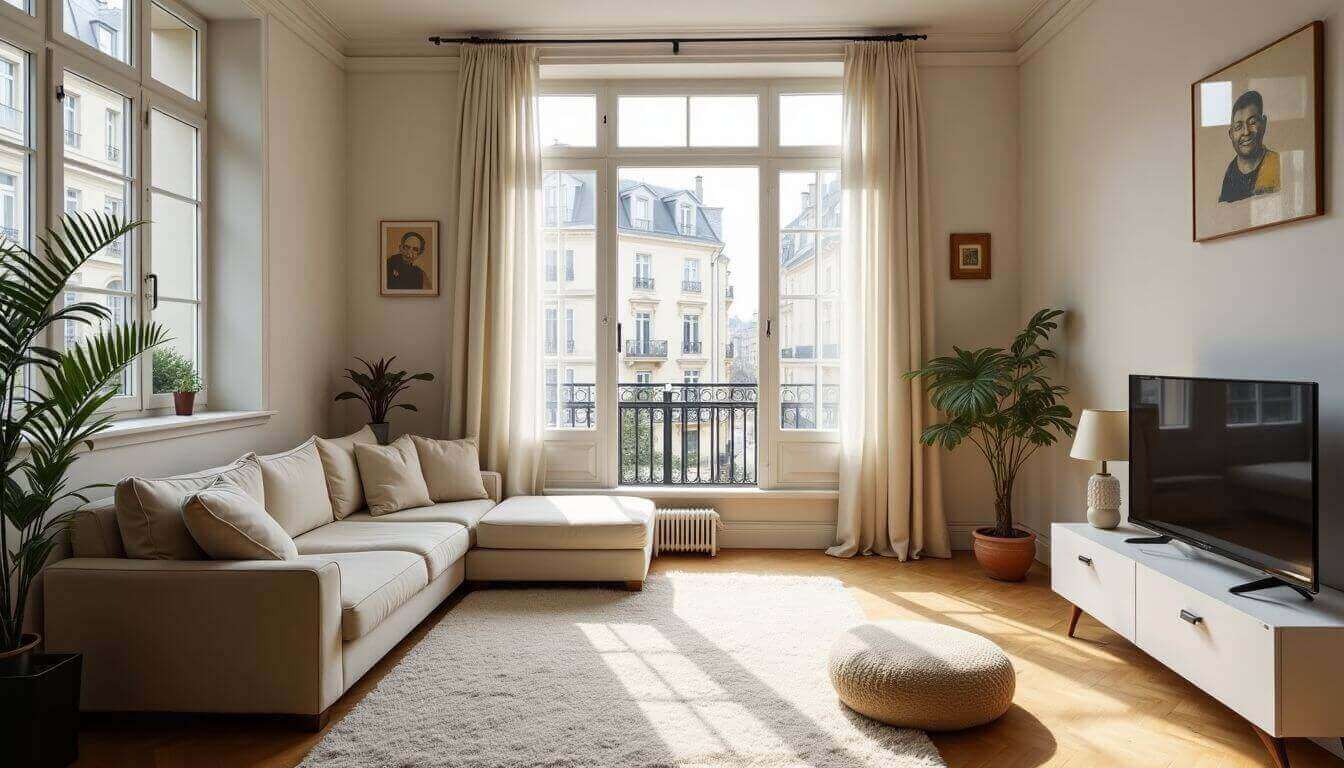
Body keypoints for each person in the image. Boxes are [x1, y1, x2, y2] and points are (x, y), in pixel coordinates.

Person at [1219, 90, 1281, 203]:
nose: (1246, 132)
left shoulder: (1277, 164)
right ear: (1231, 134)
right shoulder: (1229, 174)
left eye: (1252, 122)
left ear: (1264, 123)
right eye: (1238, 127)